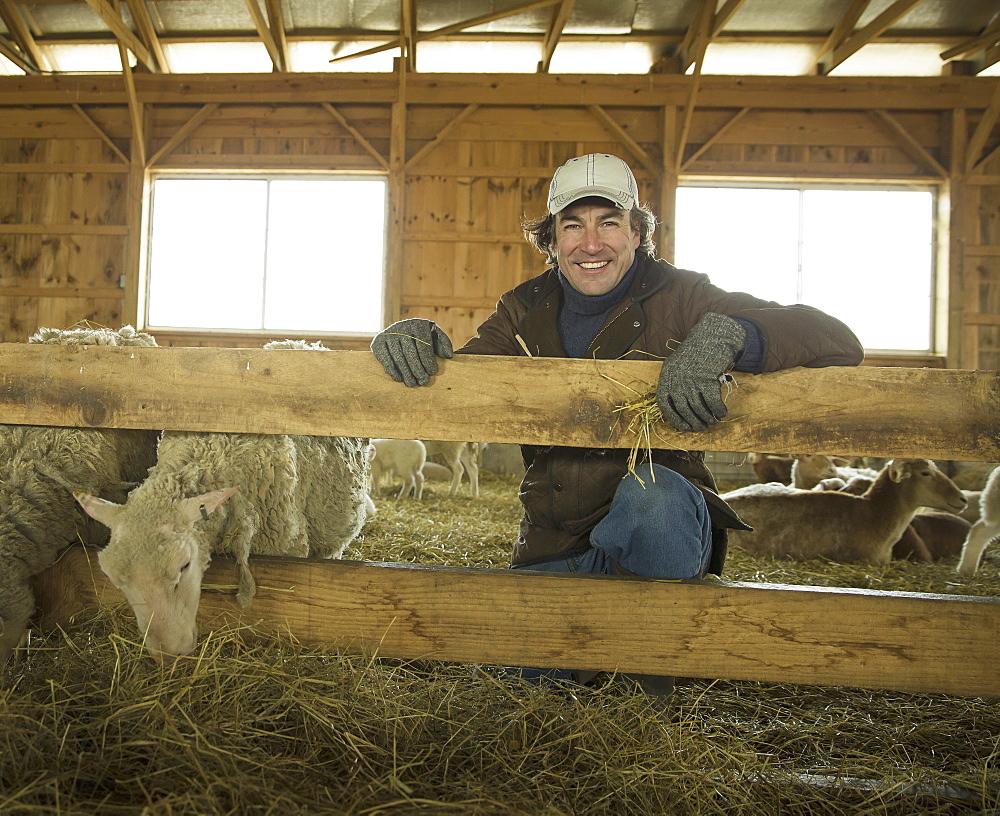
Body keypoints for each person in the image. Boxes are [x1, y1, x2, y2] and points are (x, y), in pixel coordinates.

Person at [371, 153, 864, 694]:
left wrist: (728, 336)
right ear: (552, 240)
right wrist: (412, 338)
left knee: (652, 495)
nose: (591, 243)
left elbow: (836, 337)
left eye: (608, 222)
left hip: (660, 534)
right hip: (557, 542)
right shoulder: (523, 309)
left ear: (636, 233)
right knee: (515, 695)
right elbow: (466, 383)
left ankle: (644, 699)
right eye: (573, 225)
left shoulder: (683, 297)